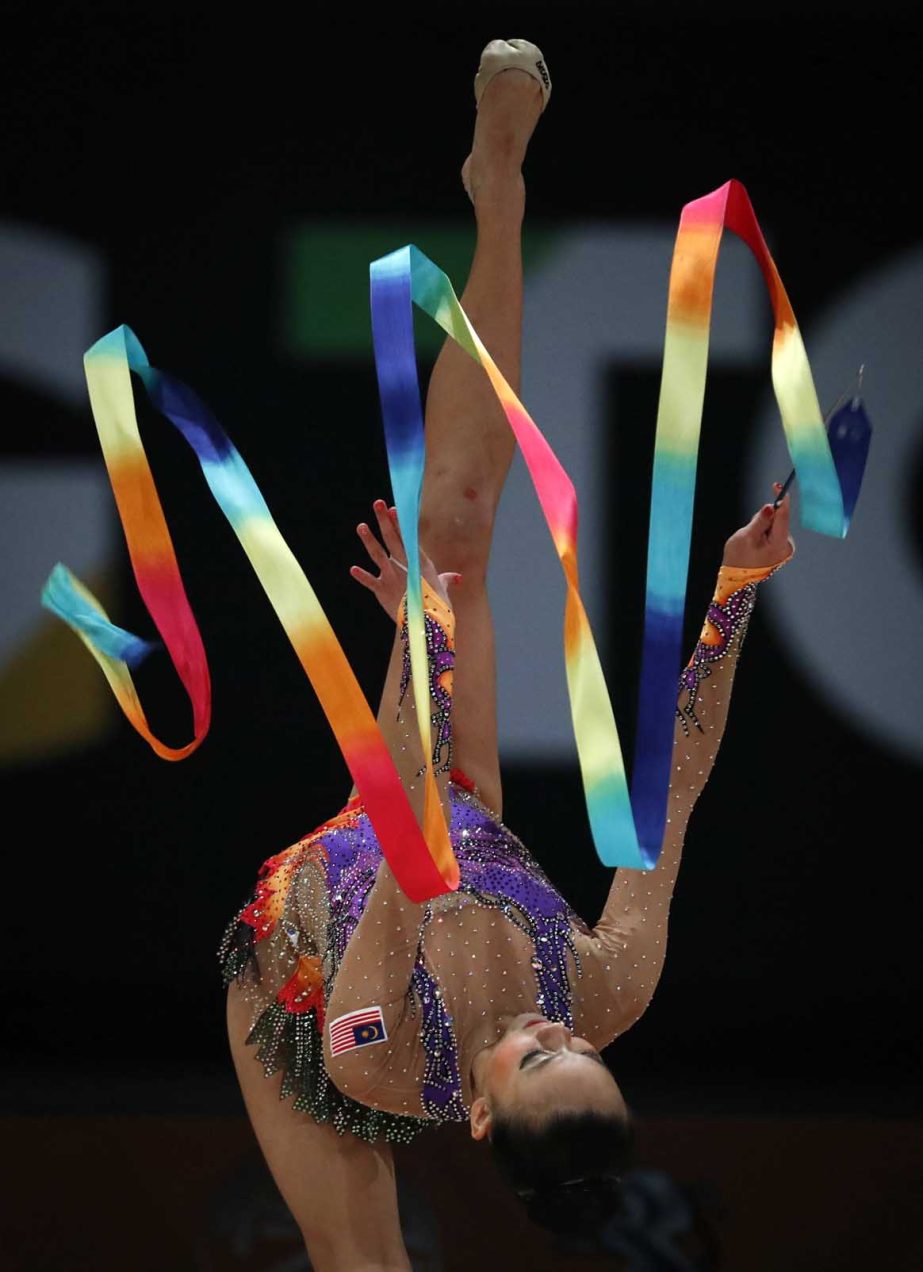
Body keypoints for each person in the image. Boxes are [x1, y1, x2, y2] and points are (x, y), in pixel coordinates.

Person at [219, 38, 795, 1271]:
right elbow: (675, 782)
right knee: (461, 533)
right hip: (451, 816)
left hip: (306, 982)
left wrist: (420, 638)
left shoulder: (379, 1051)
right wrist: (735, 590)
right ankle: (498, 199)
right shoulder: (614, 981)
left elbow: (403, 825)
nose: (557, 1021)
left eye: (535, 1054)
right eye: (580, 1048)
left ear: (476, 1112)